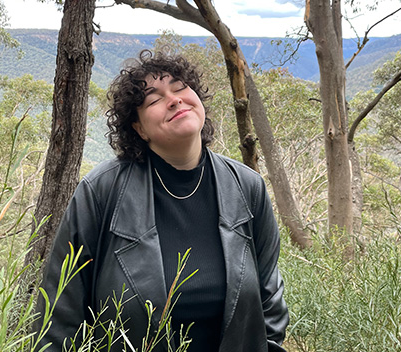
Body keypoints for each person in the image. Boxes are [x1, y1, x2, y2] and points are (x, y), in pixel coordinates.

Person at [35, 50, 289, 351]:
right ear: (139, 128)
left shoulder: (247, 187)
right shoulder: (101, 192)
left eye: (180, 87)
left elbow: (269, 300)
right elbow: (58, 315)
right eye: (154, 99)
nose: (174, 99)